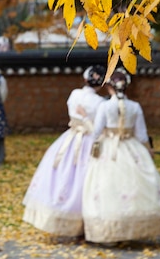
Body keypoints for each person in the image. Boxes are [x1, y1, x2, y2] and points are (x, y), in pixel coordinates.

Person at [82, 71, 160, 243]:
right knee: (134, 185)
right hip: (131, 148)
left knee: (107, 186)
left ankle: (110, 230)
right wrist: (149, 150)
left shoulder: (104, 106)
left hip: (110, 148)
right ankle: (135, 228)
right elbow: (142, 135)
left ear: (109, 86)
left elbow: (96, 131)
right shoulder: (135, 106)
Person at [22, 65, 107, 237]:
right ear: (101, 84)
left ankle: (66, 218)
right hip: (89, 140)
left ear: (85, 79)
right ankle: (87, 222)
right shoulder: (100, 103)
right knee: (87, 178)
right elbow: (97, 128)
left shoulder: (74, 94)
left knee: (67, 175)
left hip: (71, 138)